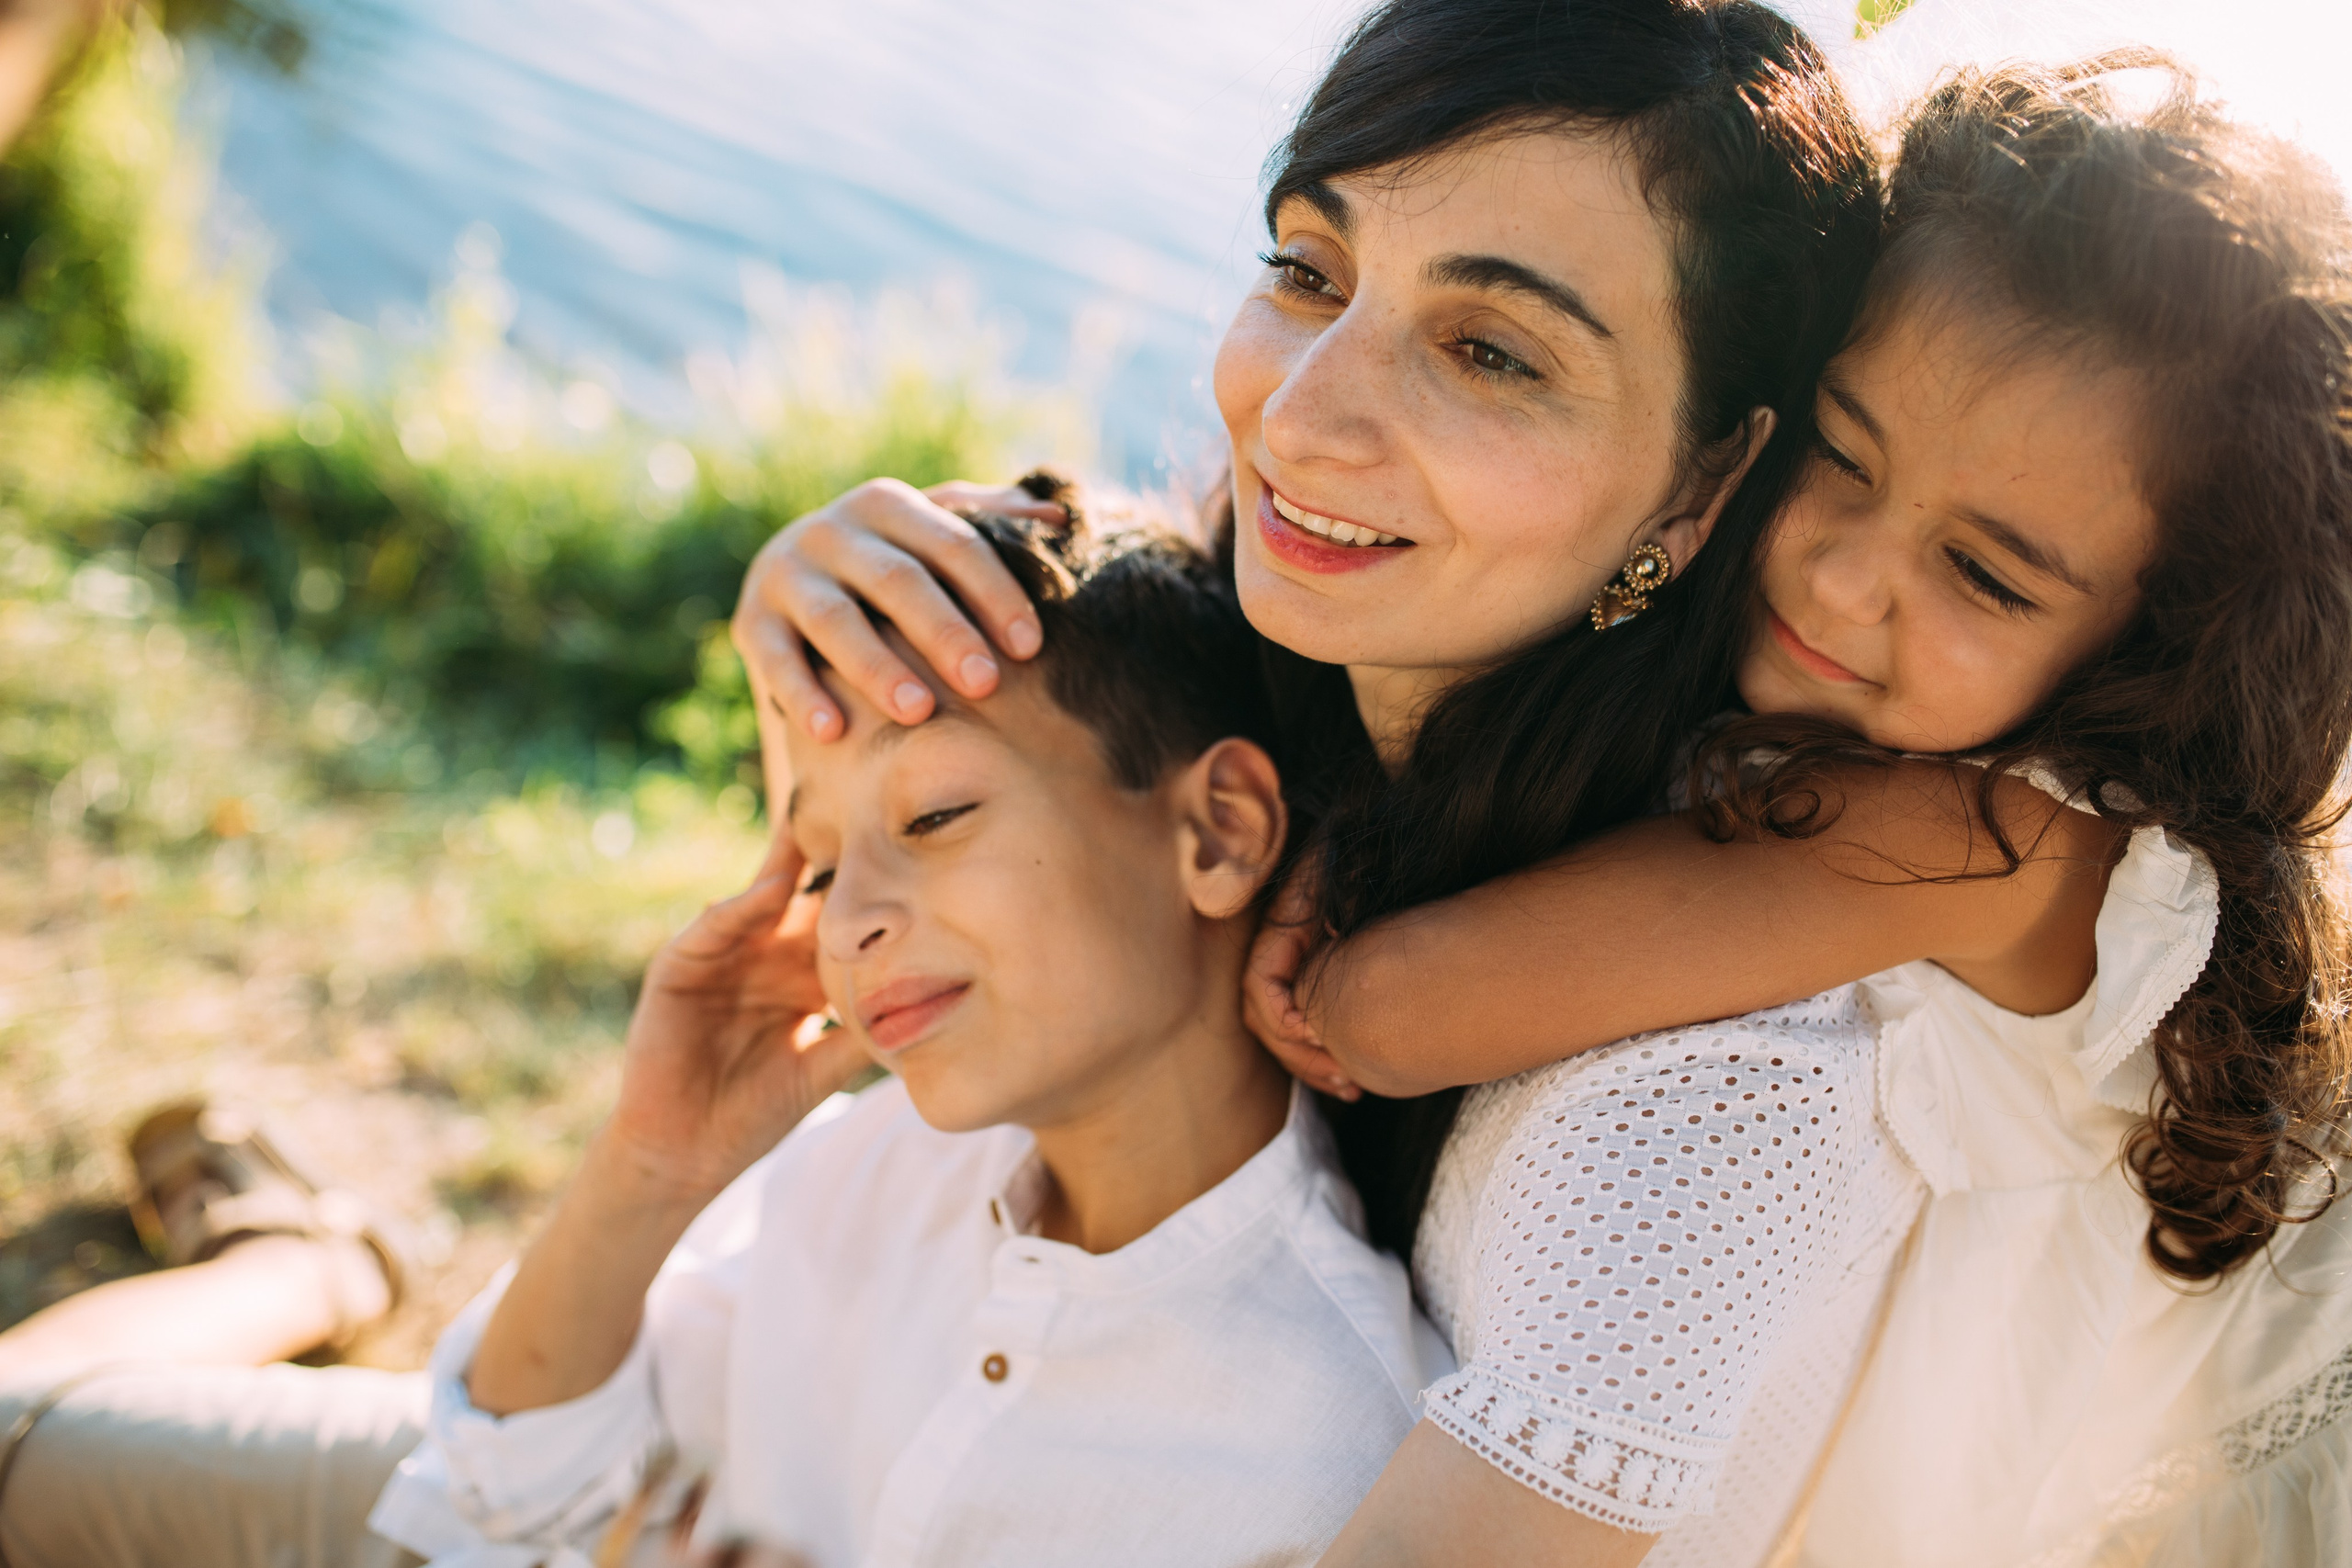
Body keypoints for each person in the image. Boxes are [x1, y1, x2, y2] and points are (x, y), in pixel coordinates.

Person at [729, 3, 1920, 1563]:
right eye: (1307, 271)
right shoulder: (1289, 696)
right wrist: (814, 634)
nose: (1296, 415)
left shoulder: (1707, 1097)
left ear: (1705, 481)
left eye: (1490, 350)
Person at [1240, 56, 2352, 1566]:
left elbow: (1394, 1009)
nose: (1839, 574)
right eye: (1840, 452)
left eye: (1987, 574)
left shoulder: (2023, 849)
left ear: (2154, 656)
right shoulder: (1851, 716)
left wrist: (1342, 912)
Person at [0, 509, 1450, 1567]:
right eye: (821, 866)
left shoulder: (1325, 1459)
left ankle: (293, 1262)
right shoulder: (870, 1166)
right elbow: (503, 1490)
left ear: (1219, 829)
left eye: (936, 818)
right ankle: (306, 1263)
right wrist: (650, 1170)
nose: (850, 923)